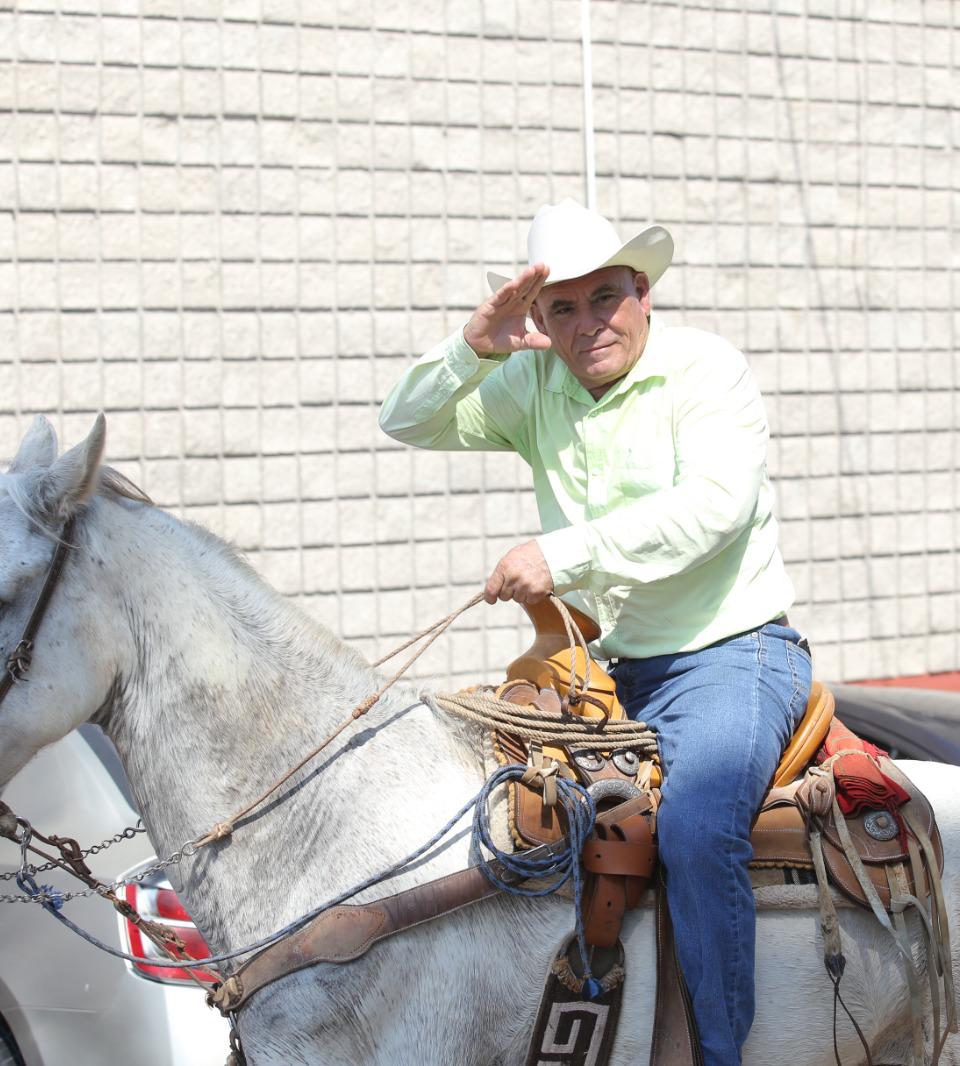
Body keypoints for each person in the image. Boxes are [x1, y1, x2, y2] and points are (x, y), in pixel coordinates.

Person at [379, 198, 810, 1065]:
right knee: (503, 823)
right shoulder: (531, 381)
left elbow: (713, 512)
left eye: (605, 297)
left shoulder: (706, 370)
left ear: (642, 291)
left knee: (695, 831)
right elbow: (407, 420)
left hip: (734, 653)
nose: (588, 324)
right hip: (610, 671)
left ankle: (721, 1055)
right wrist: (473, 348)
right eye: (562, 308)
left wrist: (560, 552)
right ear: (539, 318)